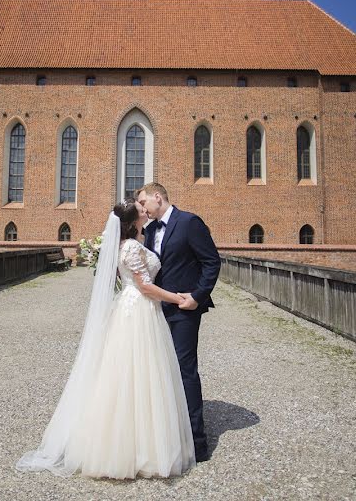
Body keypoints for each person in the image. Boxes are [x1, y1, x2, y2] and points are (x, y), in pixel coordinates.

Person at [16, 200, 197, 479]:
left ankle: (122, 444)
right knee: (143, 373)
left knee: (124, 374)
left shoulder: (123, 245)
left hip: (128, 306)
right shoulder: (133, 247)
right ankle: (143, 447)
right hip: (139, 308)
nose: (144, 208)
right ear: (133, 219)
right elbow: (145, 287)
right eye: (140, 207)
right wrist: (178, 297)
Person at [137, 182, 221, 463]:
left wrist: (197, 296)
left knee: (185, 371)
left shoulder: (189, 222)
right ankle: (170, 435)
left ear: (157, 197)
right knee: (161, 370)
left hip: (185, 310)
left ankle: (197, 443)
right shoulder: (149, 231)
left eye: (144, 203)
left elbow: (211, 262)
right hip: (157, 310)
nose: (143, 209)